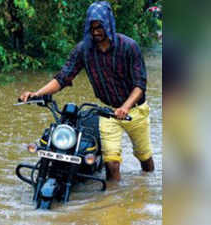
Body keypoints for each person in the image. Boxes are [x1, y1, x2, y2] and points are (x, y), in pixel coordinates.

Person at [19, 1, 154, 181]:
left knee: (144, 158)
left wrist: (126, 107)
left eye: (100, 27)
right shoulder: (84, 50)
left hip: (135, 110)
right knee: (111, 163)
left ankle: (148, 188)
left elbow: (140, 85)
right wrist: (37, 94)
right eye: (92, 28)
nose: (96, 32)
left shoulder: (129, 47)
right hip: (108, 112)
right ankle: (114, 202)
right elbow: (63, 77)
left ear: (109, 24)